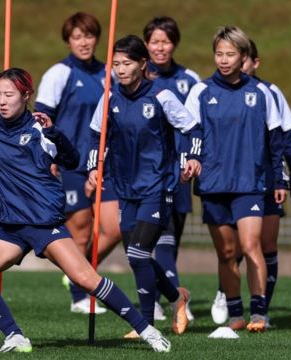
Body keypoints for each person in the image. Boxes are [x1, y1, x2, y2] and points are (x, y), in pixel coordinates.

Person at [0, 67, 171, 353]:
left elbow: (71, 160)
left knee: (86, 279)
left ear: (26, 96)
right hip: (9, 227)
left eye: (9, 94)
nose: (2, 101)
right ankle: (15, 336)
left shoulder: (38, 129)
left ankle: (146, 330)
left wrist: (54, 133)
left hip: (46, 224)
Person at [87, 35, 199, 338]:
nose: (120, 70)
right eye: (116, 64)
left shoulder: (161, 96)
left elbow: (191, 128)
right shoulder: (109, 96)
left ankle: (145, 323)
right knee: (139, 257)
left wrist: (192, 158)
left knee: (137, 254)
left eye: (126, 63)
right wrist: (93, 166)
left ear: (142, 63)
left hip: (158, 184)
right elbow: (96, 134)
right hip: (125, 186)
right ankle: (178, 298)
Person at [184, 26, 286, 332]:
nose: (224, 59)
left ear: (243, 57)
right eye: (219, 53)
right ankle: (235, 313)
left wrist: (279, 180)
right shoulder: (201, 92)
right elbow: (191, 134)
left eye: (230, 54)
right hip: (214, 184)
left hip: (250, 184)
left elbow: (276, 140)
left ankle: (258, 314)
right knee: (226, 253)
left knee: (251, 244)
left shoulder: (261, 92)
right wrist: (191, 159)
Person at [210, 38, 291, 327]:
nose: (229, 61)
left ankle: (261, 309)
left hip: (262, 180)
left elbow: (284, 139)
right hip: (225, 181)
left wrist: (289, 178)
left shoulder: (268, 92)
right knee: (231, 250)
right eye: (221, 54)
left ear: (251, 60)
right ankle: (227, 296)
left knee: (261, 245)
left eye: (236, 56)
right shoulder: (209, 91)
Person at [34, 12, 114, 314]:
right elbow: (42, 118)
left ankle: (78, 272)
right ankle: (81, 294)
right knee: (80, 228)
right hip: (71, 163)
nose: (84, 42)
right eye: (77, 36)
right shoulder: (59, 73)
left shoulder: (109, 72)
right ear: (69, 40)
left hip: (103, 163)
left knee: (113, 228)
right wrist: (50, 155)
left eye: (89, 36)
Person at [142, 16, 199, 322]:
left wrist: (192, 157)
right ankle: (171, 298)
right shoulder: (136, 76)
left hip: (179, 171)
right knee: (153, 237)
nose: (160, 47)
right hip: (148, 171)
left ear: (174, 43)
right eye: (154, 42)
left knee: (171, 238)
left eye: (165, 41)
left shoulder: (189, 79)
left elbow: (194, 126)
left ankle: (165, 295)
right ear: (146, 44)